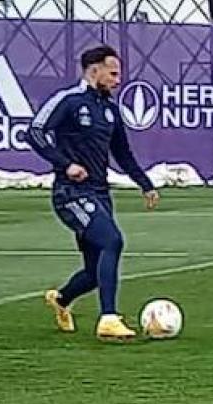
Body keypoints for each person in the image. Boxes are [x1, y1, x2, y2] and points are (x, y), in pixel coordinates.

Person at [31, 45, 160, 341]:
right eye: (113, 73)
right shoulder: (69, 100)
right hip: (70, 193)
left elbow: (123, 153)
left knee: (94, 269)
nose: (118, 79)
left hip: (99, 193)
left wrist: (145, 183)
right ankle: (109, 318)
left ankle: (61, 299)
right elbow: (35, 132)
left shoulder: (110, 110)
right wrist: (66, 165)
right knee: (113, 241)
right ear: (94, 70)